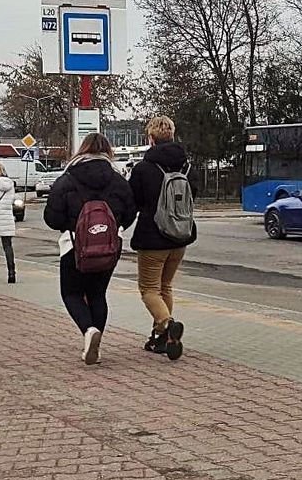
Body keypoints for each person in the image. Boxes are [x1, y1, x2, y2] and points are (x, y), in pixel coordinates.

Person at [44, 133, 136, 365]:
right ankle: (96, 342)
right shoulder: (118, 180)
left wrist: (71, 226)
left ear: (82, 150)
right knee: (98, 294)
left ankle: (88, 331)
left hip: (73, 246)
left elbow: (52, 218)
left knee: (71, 293)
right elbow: (130, 212)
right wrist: (114, 228)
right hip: (109, 247)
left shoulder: (67, 179)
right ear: (108, 152)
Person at [129, 116, 197, 360]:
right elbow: (193, 196)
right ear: (172, 135)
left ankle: (167, 324)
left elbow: (133, 201)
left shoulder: (144, 168)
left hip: (152, 237)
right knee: (165, 286)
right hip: (180, 236)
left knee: (149, 289)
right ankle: (161, 339)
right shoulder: (187, 166)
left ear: (151, 139)